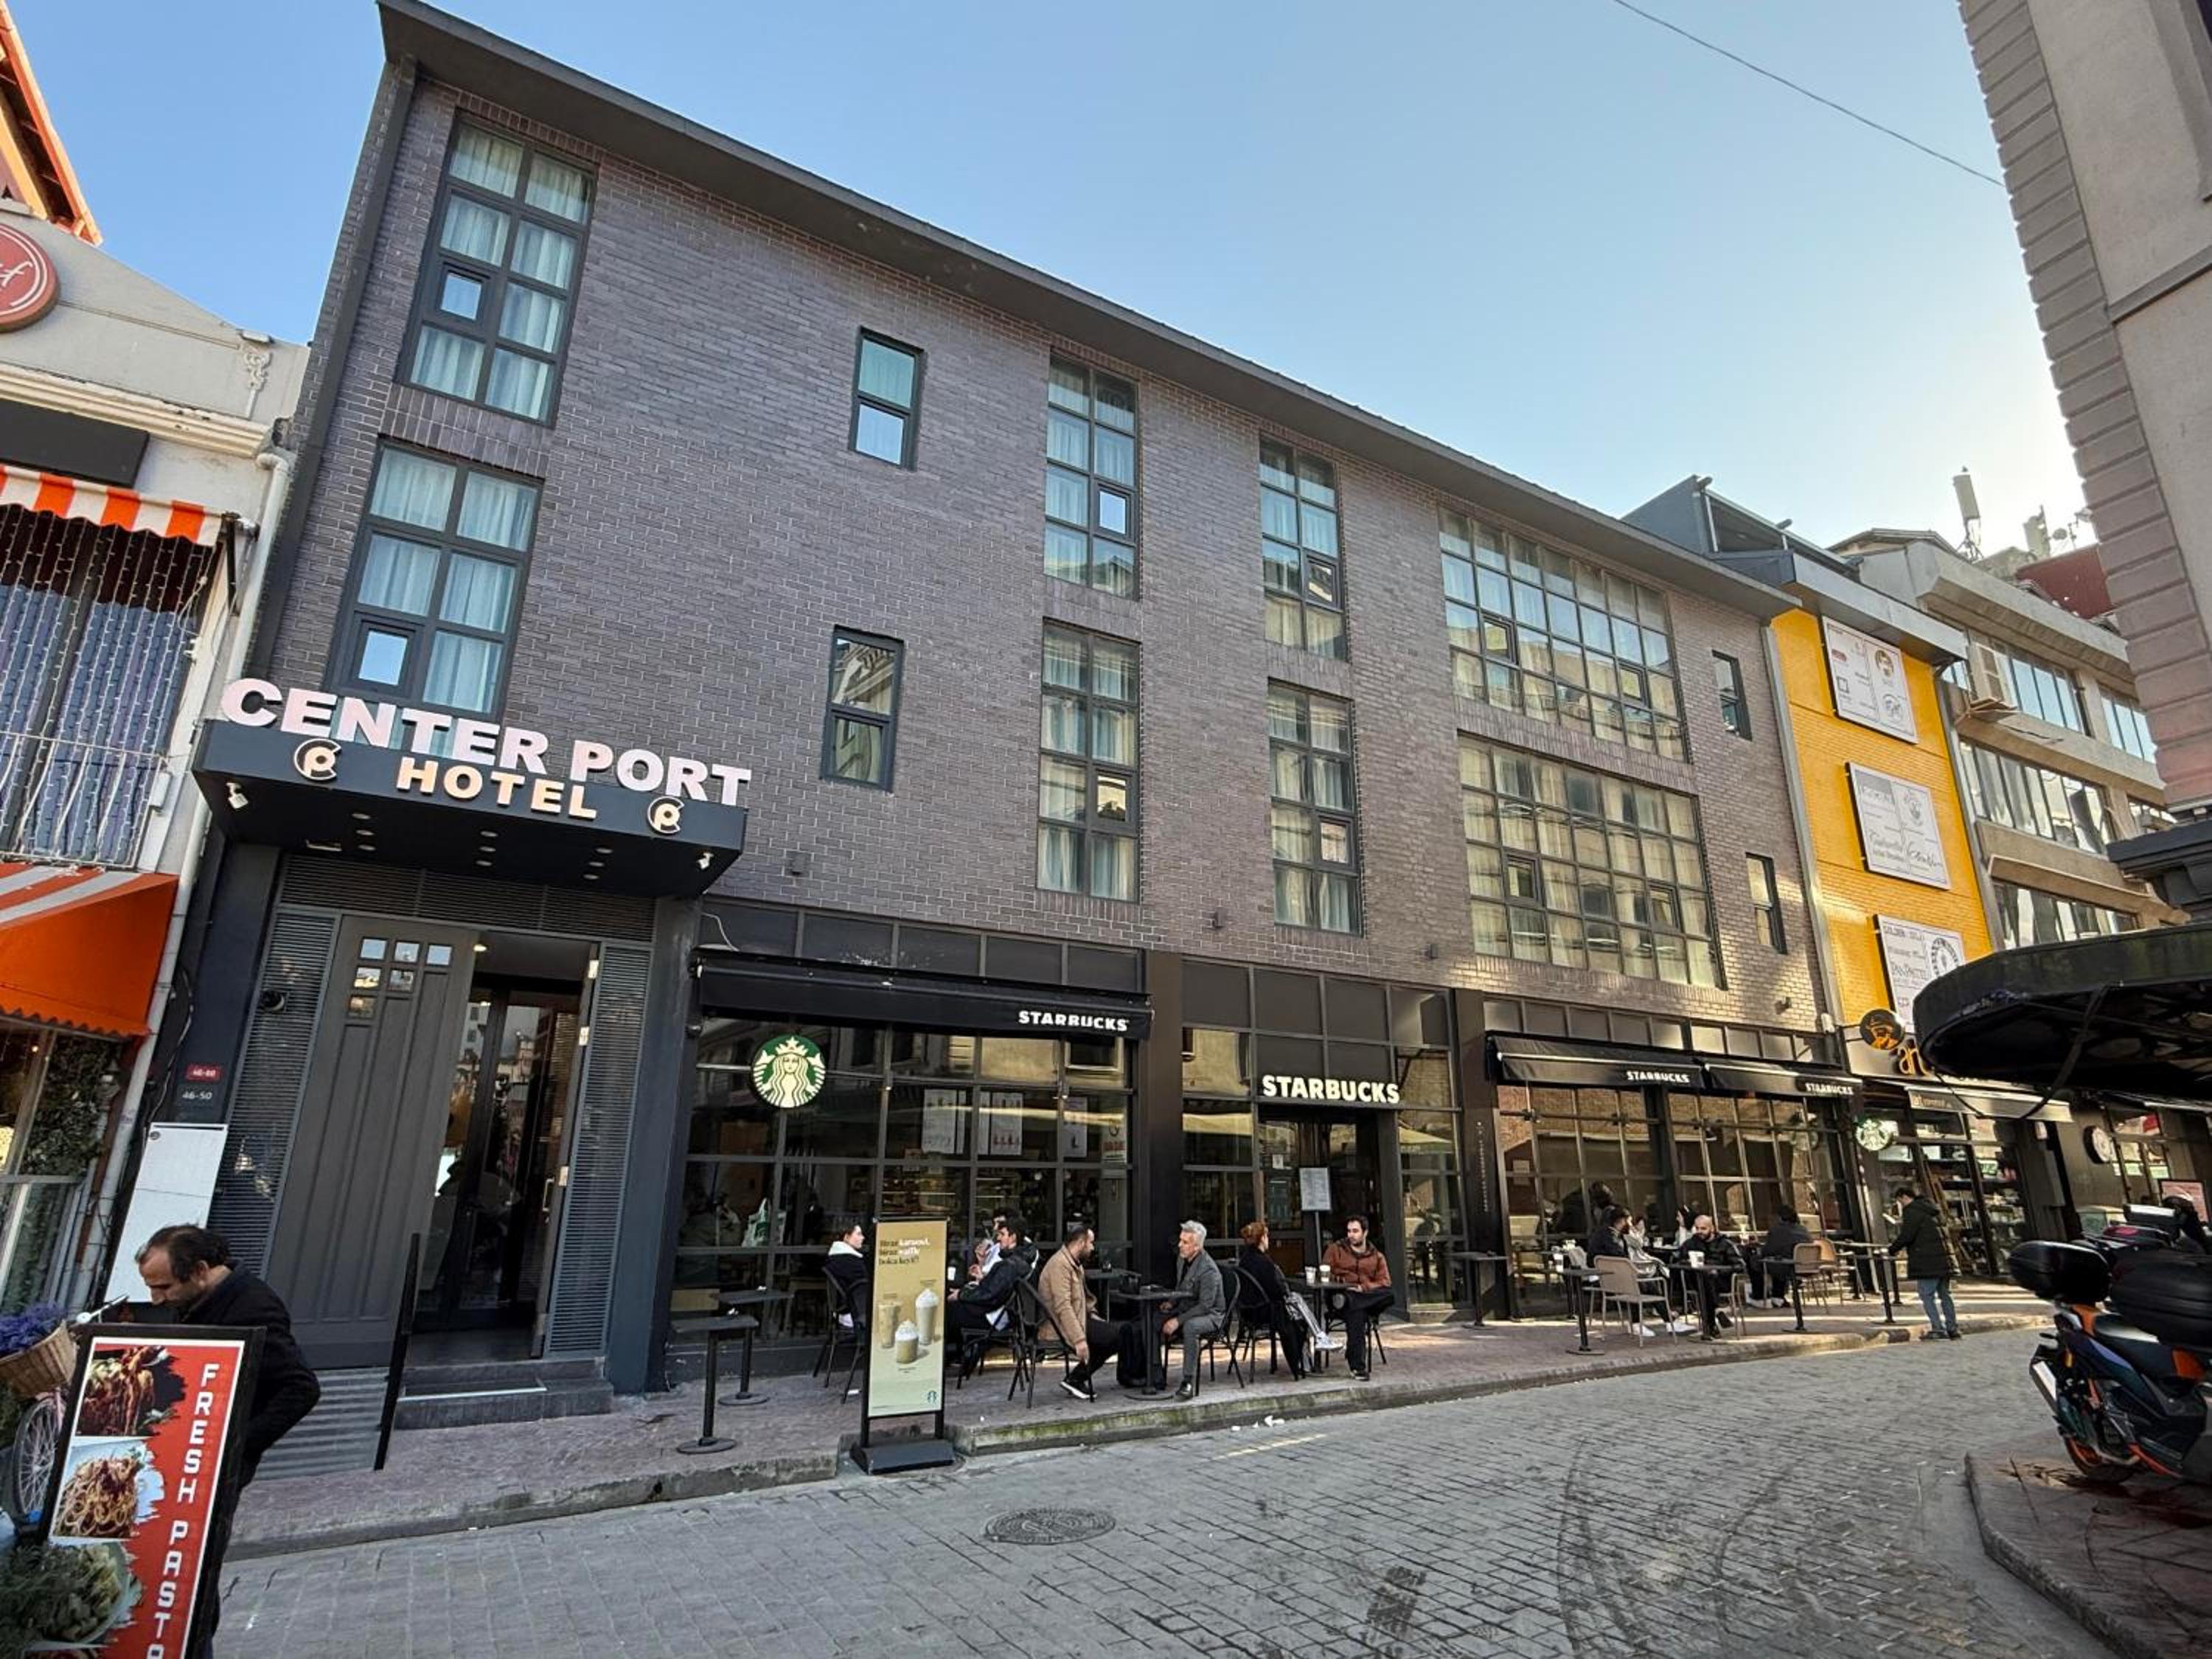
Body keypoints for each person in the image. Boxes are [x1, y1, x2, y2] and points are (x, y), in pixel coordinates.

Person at [138, 1225, 320, 1659]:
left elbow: (301, 1389)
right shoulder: (199, 1299)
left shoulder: (252, 1308)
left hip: (213, 1462)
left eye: (164, 1287)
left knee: (192, 1568)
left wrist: (235, 1446)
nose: (157, 1299)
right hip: (184, 1453)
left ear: (201, 1270)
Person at [1036, 1221, 1136, 1400]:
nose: (1092, 1248)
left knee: (1120, 1331)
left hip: (1079, 1318)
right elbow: (1063, 1307)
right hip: (1060, 1326)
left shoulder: (1074, 1263)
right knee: (1115, 1336)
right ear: (1081, 1243)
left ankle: (1080, 1377)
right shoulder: (1060, 1265)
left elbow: (1084, 1299)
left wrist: (1094, 1316)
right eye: (1091, 1243)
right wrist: (1079, 1340)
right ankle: (1076, 1378)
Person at [1155, 1221, 1227, 1399]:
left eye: (1185, 1242)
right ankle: (1151, 1374)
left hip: (1211, 1315)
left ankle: (1188, 1382)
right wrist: (1171, 1303)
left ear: (1197, 1247)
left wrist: (1178, 1321)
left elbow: (1205, 1306)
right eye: (1181, 1240)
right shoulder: (1182, 1259)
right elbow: (1180, 1286)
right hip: (1186, 1307)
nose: (1180, 1245)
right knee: (1153, 1320)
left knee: (1191, 1327)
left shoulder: (1208, 1270)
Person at [948, 1217, 1023, 1376]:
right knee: (952, 1308)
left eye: (1002, 1234)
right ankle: (959, 1356)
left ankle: (953, 1358)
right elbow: (994, 1290)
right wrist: (981, 1278)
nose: (998, 1238)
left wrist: (961, 1294)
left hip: (992, 1317)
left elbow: (990, 1296)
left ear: (1013, 1237)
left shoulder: (1009, 1264)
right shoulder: (1014, 1261)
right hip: (995, 1313)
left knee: (948, 1312)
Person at [1322, 1214, 1393, 1380]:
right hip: (1341, 1296)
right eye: (1349, 1231)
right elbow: (1324, 1273)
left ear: (1365, 1233)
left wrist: (1363, 1288)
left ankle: (1356, 1301)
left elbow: (1385, 1281)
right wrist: (1342, 1282)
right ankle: (1357, 1368)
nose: (1351, 1235)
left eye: (1355, 1231)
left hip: (1363, 1296)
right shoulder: (1336, 1249)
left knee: (1389, 1295)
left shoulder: (1377, 1256)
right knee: (1357, 1314)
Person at [1235, 1221, 1309, 1380]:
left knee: (1296, 1305)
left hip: (1248, 1311)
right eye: (1267, 1236)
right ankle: (1303, 1359)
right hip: (1266, 1311)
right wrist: (1286, 1293)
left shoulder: (1245, 1259)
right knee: (1299, 1313)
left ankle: (1312, 1347)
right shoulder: (1264, 1262)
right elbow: (1276, 1291)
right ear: (1262, 1238)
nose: (1269, 1239)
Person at [1889, 1183, 1959, 1340]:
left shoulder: (1912, 1211)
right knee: (1945, 1295)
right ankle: (1953, 1328)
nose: (1901, 1205)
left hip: (1926, 1260)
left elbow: (1908, 1235)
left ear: (1904, 1197)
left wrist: (1893, 1248)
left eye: (1900, 1201)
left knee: (1927, 1295)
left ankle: (1938, 1328)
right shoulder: (1934, 1209)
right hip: (1944, 1259)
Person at [1674, 1212, 1744, 1333]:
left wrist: (1719, 1271)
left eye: (1703, 1228)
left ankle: (1710, 1326)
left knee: (1706, 1283)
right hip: (1697, 1280)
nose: (1699, 1231)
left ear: (1712, 1228)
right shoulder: (1691, 1243)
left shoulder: (1725, 1244)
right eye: (1697, 1228)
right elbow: (1678, 1258)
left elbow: (1740, 1265)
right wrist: (1688, 1261)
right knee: (1703, 1280)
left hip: (1721, 1281)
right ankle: (1716, 1313)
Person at [1753, 1206, 1812, 1307]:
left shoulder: (1777, 1230)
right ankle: (1778, 1297)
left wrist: (1760, 1249)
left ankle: (1760, 1297)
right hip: (1806, 1266)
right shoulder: (1803, 1229)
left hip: (1786, 1267)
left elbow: (1768, 1251)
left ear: (1780, 1218)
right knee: (1779, 1260)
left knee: (1755, 1261)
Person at [824, 1220, 869, 1330]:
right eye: (858, 1234)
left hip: (843, 1311)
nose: (863, 1238)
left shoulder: (835, 1258)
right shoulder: (851, 1262)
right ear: (847, 1238)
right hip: (856, 1314)